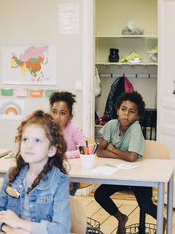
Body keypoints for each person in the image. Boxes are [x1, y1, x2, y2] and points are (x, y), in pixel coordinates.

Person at [0, 110, 71, 233]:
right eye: (25, 139)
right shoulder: (13, 175)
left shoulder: (59, 181)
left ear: (51, 150)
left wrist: (19, 223)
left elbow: (61, 229)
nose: (29, 145)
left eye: (37, 140)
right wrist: (7, 228)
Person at [94, 91, 161, 234]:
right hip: (120, 174)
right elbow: (99, 152)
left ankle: (163, 220)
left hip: (139, 176)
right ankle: (121, 217)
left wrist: (112, 149)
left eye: (131, 111)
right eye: (123, 109)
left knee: (145, 205)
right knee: (99, 194)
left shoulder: (135, 127)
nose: (126, 114)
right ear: (117, 110)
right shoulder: (111, 125)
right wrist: (120, 154)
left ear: (137, 116)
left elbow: (132, 157)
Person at [49, 91, 85, 196]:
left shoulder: (75, 129)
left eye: (63, 113)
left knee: (62, 197)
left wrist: (64, 155)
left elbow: (84, 150)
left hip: (71, 175)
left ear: (70, 116)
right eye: (54, 112)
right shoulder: (46, 129)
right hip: (51, 172)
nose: (57, 117)